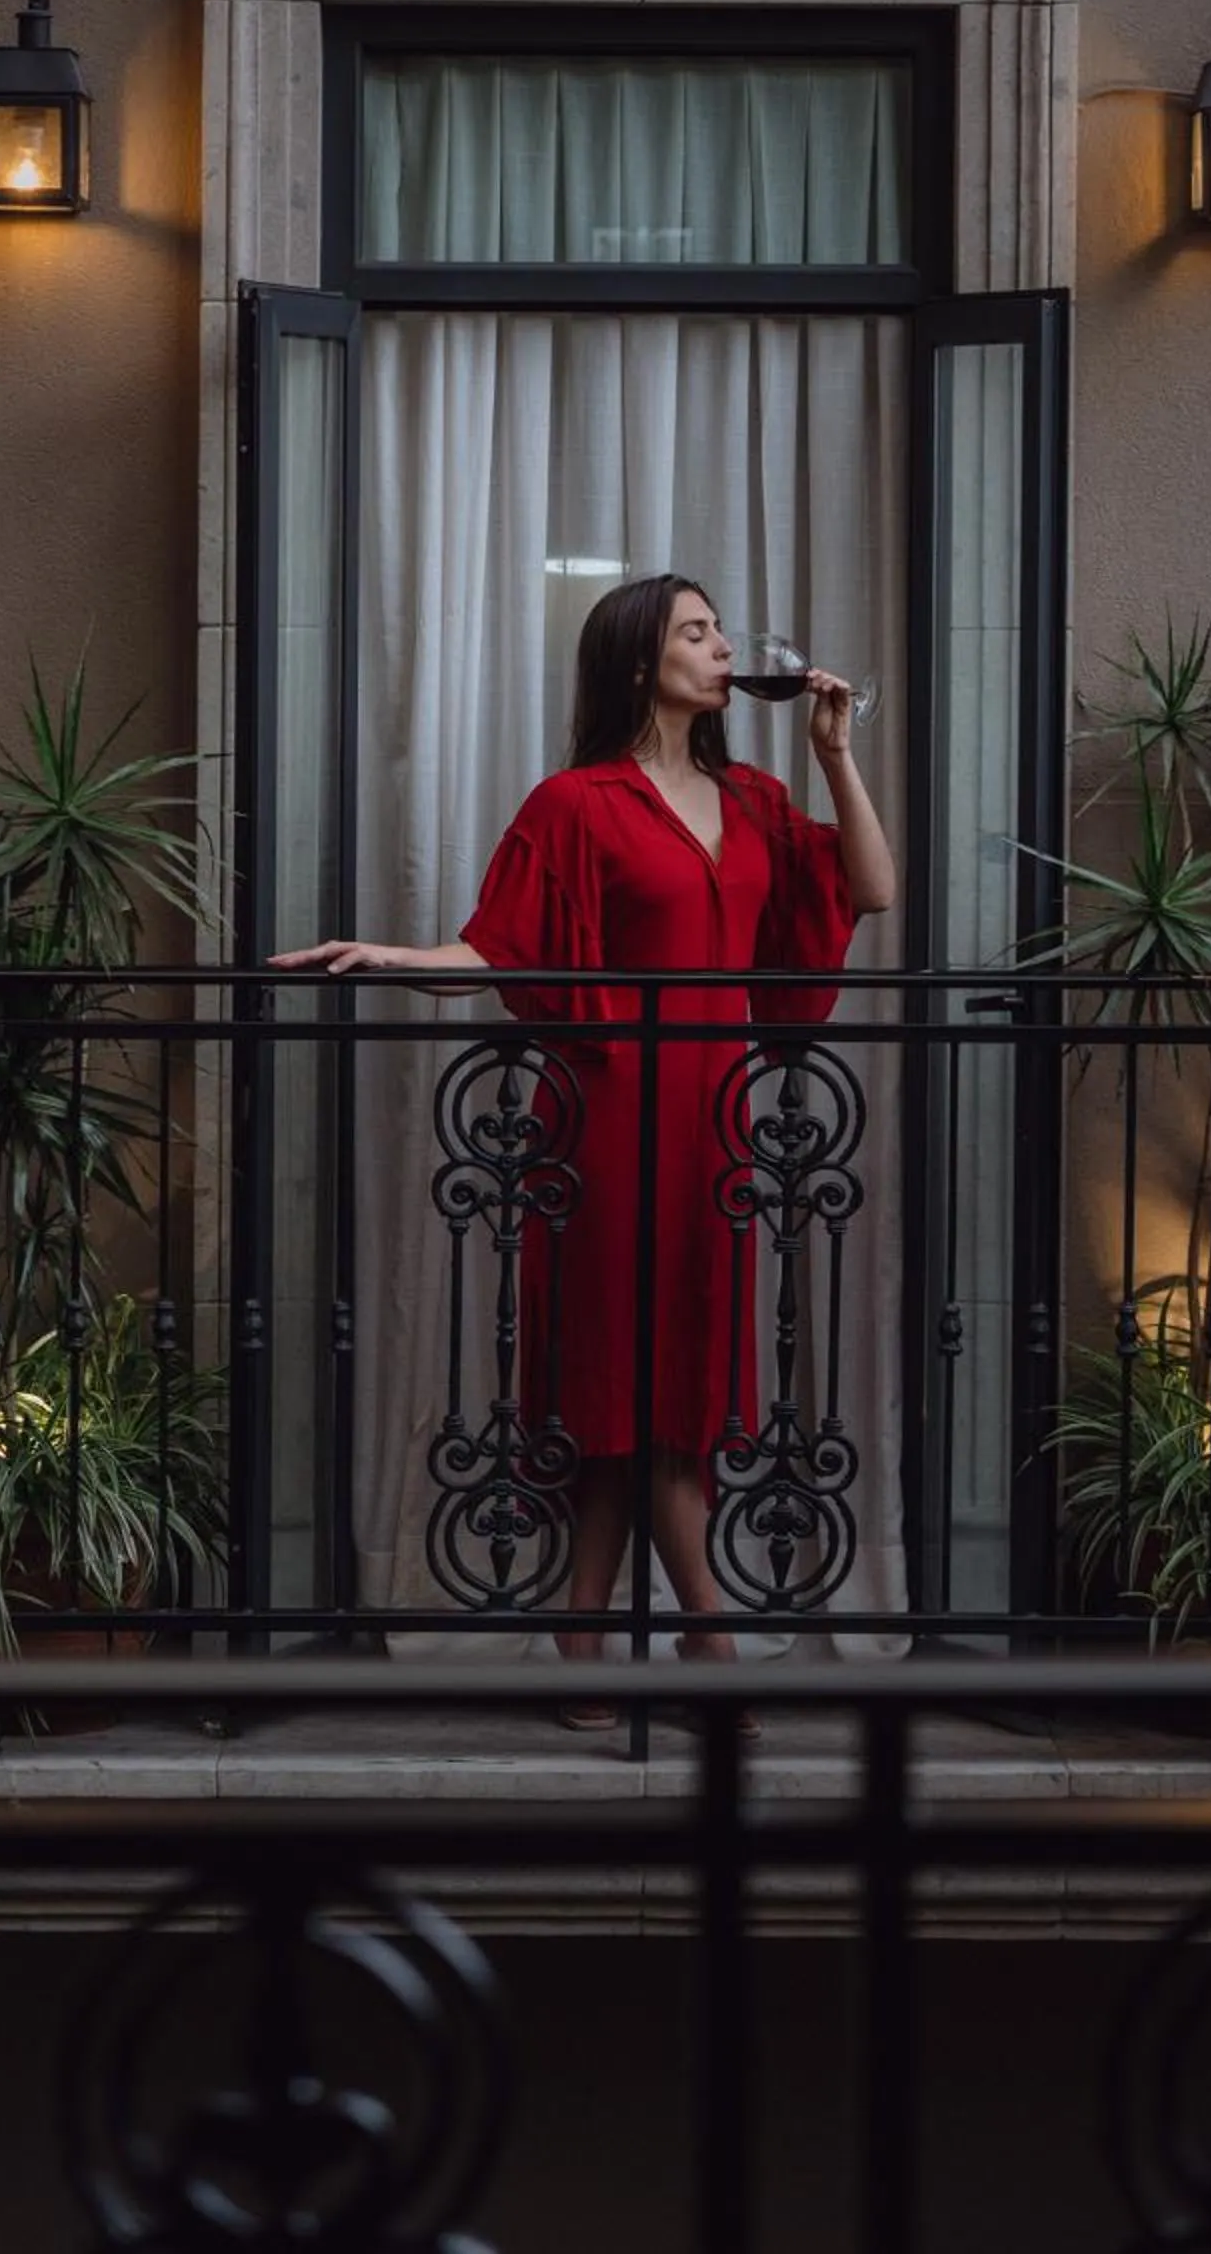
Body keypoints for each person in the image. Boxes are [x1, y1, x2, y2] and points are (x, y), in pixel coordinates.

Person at [273, 574, 895, 1726]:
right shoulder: (576, 802)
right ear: (635, 662)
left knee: (669, 1386)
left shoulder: (754, 796)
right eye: (695, 633)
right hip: (608, 1125)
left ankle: (582, 1625)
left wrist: (833, 754)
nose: (720, 651)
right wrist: (391, 956)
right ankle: (708, 1644)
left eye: (717, 634)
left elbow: (870, 887)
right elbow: (498, 942)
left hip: (717, 1131)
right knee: (631, 1376)